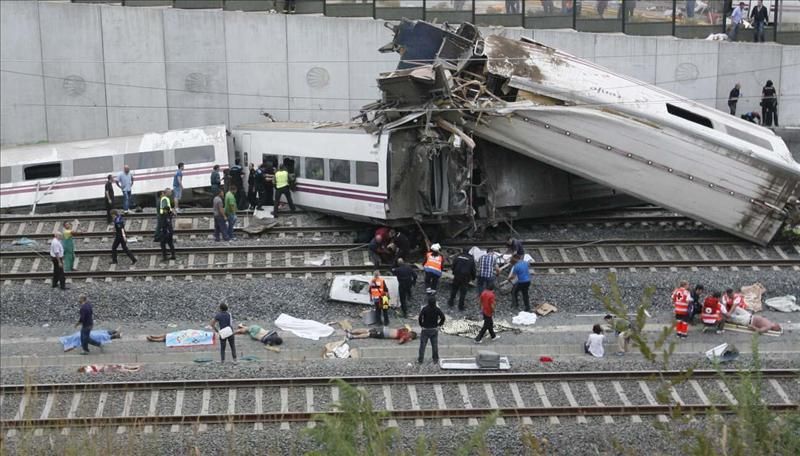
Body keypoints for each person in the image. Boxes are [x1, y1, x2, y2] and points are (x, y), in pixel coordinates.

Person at [418, 295, 446, 364]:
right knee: (434, 345)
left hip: (425, 329)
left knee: (422, 346)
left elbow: (420, 317)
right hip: (434, 329)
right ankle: (435, 359)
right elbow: (443, 317)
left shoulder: (424, 309)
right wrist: (439, 325)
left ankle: (420, 360)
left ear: (428, 302)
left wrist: (421, 325)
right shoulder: (437, 309)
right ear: (435, 302)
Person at [347, 326, 417, 344]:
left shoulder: (405, 334)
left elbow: (400, 341)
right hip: (384, 332)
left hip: (384, 331)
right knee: (368, 332)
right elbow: (400, 342)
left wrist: (406, 338)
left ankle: (352, 333)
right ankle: (352, 334)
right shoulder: (405, 335)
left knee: (368, 331)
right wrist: (407, 339)